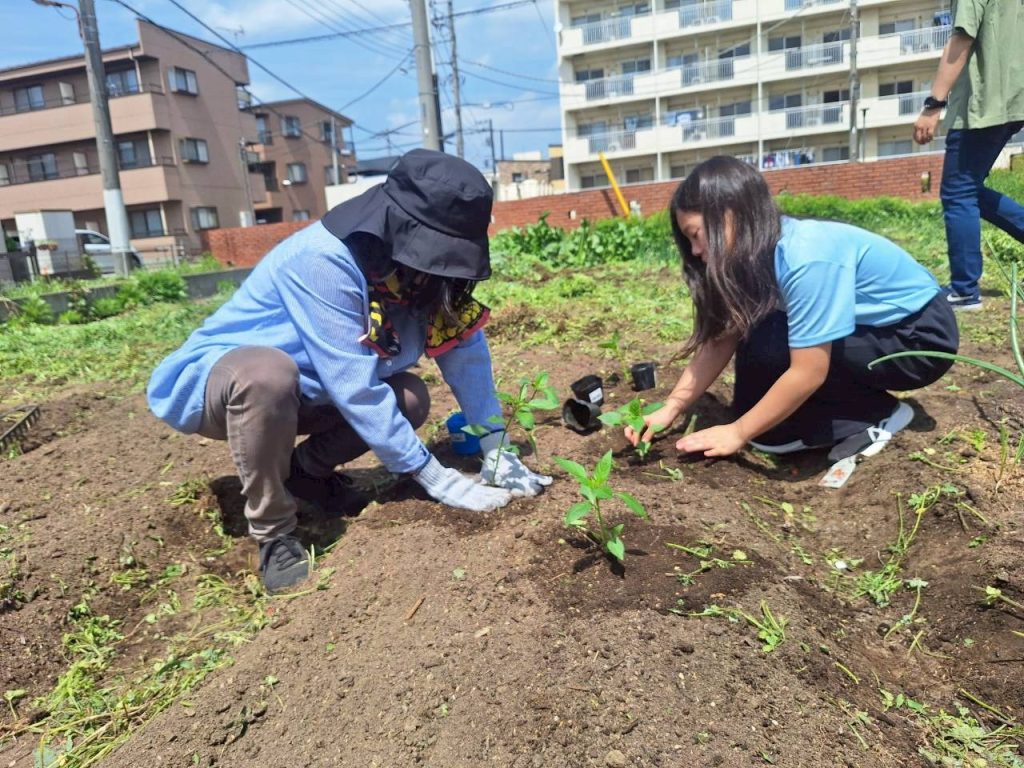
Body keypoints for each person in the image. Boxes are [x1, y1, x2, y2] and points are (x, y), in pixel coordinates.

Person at [147, 150, 551, 593]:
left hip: (310, 392)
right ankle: (273, 530)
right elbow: (354, 386)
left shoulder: (419, 274)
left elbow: (464, 351)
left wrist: (496, 449)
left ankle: (305, 472)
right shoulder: (324, 258)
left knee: (409, 397)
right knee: (267, 374)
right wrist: (438, 479)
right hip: (227, 388)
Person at [627, 156, 960, 462]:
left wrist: (738, 432)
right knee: (766, 418)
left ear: (731, 213)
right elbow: (721, 340)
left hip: (917, 337)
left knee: (773, 357)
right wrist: (671, 407)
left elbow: (809, 370)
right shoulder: (752, 257)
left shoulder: (804, 256)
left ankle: (876, 413)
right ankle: (827, 414)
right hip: (872, 332)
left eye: (696, 236)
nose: (696, 251)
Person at [912, 0, 1024, 311]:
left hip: (985, 101)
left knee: (958, 191)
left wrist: (933, 104)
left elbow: (962, 38)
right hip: (1014, 97)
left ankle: (964, 291)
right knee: (969, 188)